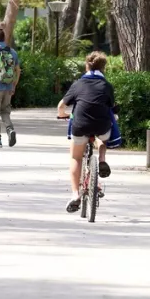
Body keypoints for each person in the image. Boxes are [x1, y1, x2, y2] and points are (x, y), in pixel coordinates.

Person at [56, 50, 117, 213]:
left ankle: (75, 194)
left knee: (76, 157)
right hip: (101, 125)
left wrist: (63, 115)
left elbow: (61, 106)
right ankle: (102, 159)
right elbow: (112, 107)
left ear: (86, 66)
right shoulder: (107, 86)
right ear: (104, 68)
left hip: (80, 124)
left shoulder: (78, 84)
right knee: (102, 137)